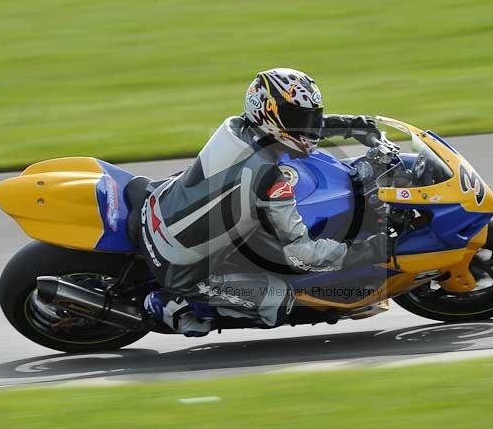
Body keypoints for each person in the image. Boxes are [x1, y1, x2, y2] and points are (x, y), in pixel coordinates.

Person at [140, 68, 391, 336]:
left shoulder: (238, 127)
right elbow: (302, 253)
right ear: (267, 113)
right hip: (180, 266)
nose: (309, 125)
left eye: (312, 116)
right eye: (300, 118)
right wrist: (369, 250)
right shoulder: (268, 178)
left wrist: (350, 124)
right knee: (280, 297)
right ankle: (181, 310)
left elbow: (290, 129)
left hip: (160, 206)